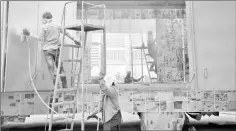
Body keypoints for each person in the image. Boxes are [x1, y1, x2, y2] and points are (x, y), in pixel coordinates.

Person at [36, 12, 80, 88]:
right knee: (60, 67)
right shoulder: (58, 26)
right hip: (56, 50)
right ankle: (65, 85)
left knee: (51, 69)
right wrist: (74, 39)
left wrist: (30, 35)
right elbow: (67, 33)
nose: (41, 20)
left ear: (45, 19)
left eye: (42, 19)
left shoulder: (44, 27)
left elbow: (40, 38)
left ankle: (56, 87)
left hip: (47, 51)